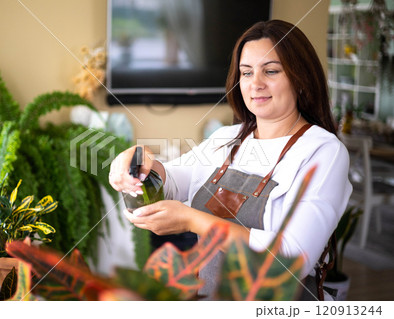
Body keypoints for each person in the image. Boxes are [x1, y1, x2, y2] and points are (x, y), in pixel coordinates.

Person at [109, 19, 352, 301]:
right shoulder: (227, 138)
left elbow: (291, 259)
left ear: (300, 78)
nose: (256, 84)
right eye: (246, 73)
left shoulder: (323, 151)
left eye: (270, 71)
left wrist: (192, 220)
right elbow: (172, 179)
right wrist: (135, 161)